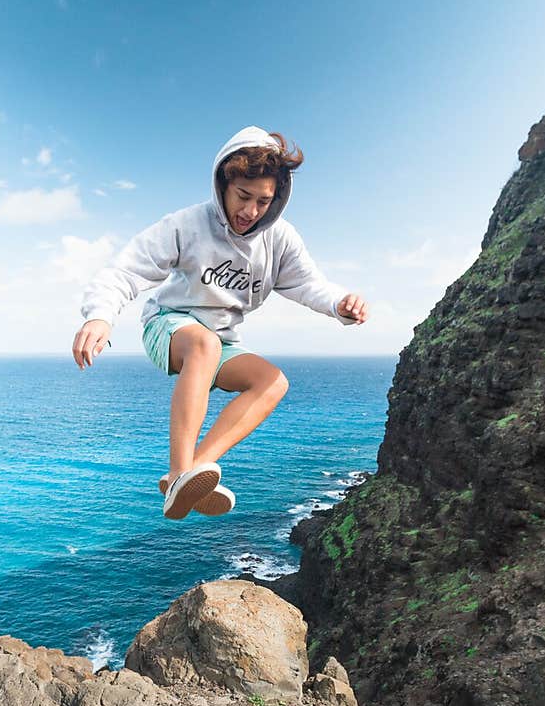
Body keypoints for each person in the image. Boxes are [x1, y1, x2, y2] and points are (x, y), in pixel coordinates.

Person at [72, 126, 368, 519]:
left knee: (272, 381)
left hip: (221, 339)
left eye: (263, 201)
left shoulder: (279, 239)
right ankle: (178, 472)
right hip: (169, 323)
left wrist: (338, 304)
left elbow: (307, 283)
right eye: (243, 197)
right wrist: (100, 316)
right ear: (223, 184)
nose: (251, 211)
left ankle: (195, 469)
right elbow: (125, 270)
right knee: (203, 346)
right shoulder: (188, 224)